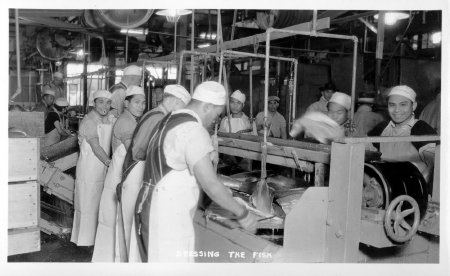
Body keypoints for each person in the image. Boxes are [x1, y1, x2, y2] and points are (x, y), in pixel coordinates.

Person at [132, 81, 257, 262]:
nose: (215, 120)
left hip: (153, 206)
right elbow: (210, 184)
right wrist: (243, 213)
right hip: (167, 214)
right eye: (216, 114)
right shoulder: (193, 130)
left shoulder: (170, 119)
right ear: (207, 106)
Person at [117, 84, 191, 262]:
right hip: (137, 173)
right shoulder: (157, 118)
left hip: (141, 174)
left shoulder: (158, 116)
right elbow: (138, 151)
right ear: (174, 101)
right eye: (182, 106)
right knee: (134, 225)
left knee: (136, 226)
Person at [92, 86, 146, 262]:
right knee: (118, 220)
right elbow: (135, 151)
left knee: (117, 220)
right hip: (121, 174)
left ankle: (114, 259)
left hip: (124, 172)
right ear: (126, 103)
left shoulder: (132, 119)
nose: (141, 106)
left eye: (143, 102)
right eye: (137, 102)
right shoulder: (126, 122)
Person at [71, 90, 113, 247]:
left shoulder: (106, 119)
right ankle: (84, 240)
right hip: (89, 169)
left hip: (100, 168)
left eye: (108, 103)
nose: (105, 106)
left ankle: (94, 240)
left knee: (96, 205)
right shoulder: (89, 121)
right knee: (87, 204)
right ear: (94, 103)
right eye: (101, 102)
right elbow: (96, 147)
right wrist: (109, 162)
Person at [368, 85, 437, 181]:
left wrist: (420, 186)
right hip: (386, 187)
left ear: (414, 106)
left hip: (411, 190)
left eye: (403, 104)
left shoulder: (420, 128)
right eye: (392, 105)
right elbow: (364, 152)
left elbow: (433, 164)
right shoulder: (381, 128)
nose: (397, 110)